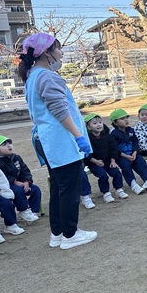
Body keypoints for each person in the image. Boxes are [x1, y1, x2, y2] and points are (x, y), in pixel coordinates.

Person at [18, 33, 97, 250]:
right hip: (62, 141)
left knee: (59, 188)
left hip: (49, 140)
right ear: (46, 52)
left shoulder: (33, 76)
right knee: (70, 189)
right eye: (58, 48)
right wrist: (79, 137)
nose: (61, 53)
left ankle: (58, 233)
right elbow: (60, 110)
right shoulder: (46, 76)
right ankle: (70, 235)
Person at [0, 135, 41, 222]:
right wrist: (15, 182)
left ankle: (33, 211)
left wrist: (26, 182)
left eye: (9, 143)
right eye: (4, 145)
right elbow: (1, 177)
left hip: (21, 183)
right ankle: (23, 210)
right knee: (17, 190)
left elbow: (25, 170)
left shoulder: (16, 157)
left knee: (35, 189)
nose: (9, 145)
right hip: (6, 186)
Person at [84, 113, 129, 203]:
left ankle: (118, 189)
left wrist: (113, 161)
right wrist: (95, 161)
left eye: (100, 122)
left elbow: (113, 149)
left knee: (116, 172)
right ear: (89, 127)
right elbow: (86, 153)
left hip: (108, 161)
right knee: (103, 175)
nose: (98, 125)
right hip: (94, 163)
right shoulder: (87, 139)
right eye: (95, 123)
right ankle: (106, 193)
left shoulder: (107, 136)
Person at [110, 109, 147, 194]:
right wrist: (125, 156)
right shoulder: (113, 133)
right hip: (121, 156)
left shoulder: (130, 130)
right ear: (115, 122)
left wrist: (135, 152)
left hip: (132, 153)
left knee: (141, 161)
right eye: (122, 119)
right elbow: (114, 148)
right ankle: (133, 184)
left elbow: (135, 142)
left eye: (127, 117)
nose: (126, 120)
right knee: (126, 165)